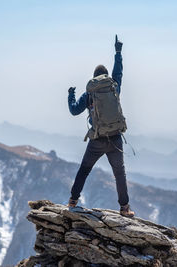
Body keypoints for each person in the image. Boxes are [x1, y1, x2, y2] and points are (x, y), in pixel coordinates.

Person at [67, 35, 134, 217]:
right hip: (115, 137)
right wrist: (118, 53)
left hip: (97, 139)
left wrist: (71, 95)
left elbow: (74, 111)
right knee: (119, 174)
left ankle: (73, 201)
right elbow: (118, 72)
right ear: (106, 76)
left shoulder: (90, 93)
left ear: (94, 78)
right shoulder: (114, 87)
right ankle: (124, 208)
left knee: (84, 170)